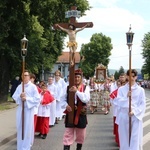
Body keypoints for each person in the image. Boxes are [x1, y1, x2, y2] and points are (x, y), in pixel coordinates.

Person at [117, 69, 146, 150]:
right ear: (126, 76)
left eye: (133, 76)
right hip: (124, 116)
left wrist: (134, 112)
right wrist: (126, 97)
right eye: (129, 76)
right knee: (124, 139)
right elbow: (118, 102)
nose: (131, 78)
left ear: (136, 77)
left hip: (136, 117)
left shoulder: (141, 90)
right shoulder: (121, 89)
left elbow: (142, 104)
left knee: (135, 139)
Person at [61, 68, 90, 150]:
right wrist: (66, 105)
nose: (77, 79)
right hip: (70, 113)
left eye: (78, 77)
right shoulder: (67, 87)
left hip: (80, 114)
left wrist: (77, 91)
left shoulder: (85, 88)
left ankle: (79, 148)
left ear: (81, 78)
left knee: (81, 135)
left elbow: (86, 99)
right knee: (68, 134)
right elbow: (62, 99)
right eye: (75, 77)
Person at [12, 70, 40, 150]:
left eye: (26, 75)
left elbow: (37, 99)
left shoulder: (33, 87)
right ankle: (20, 146)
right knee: (20, 127)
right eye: (23, 75)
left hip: (28, 110)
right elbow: (15, 97)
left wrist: (27, 99)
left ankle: (26, 147)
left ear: (29, 77)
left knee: (27, 128)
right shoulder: (20, 86)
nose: (24, 77)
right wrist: (20, 96)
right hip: (20, 109)